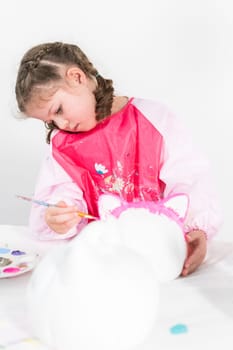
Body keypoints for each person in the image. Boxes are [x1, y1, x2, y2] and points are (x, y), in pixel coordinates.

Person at [15, 41, 222, 276]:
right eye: (50, 122)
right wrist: (59, 216)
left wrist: (197, 230)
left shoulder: (154, 118)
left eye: (59, 110)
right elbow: (61, 196)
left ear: (76, 77)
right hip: (105, 263)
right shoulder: (64, 145)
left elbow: (189, 178)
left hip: (162, 254)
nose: (61, 125)